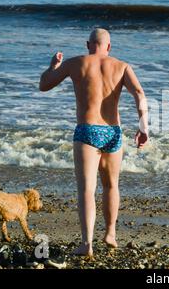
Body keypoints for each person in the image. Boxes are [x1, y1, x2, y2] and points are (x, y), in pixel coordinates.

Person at [39, 28, 149, 257]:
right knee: (111, 186)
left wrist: (53, 67)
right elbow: (139, 94)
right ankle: (110, 233)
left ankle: (87, 244)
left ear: (88, 45)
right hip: (113, 132)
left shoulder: (75, 63)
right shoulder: (122, 66)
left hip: (87, 130)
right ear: (109, 47)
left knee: (87, 190)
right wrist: (143, 127)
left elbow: (44, 84)